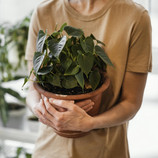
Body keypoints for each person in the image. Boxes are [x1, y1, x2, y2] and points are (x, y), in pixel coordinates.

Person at [25, 0, 152, 157]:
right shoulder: (44, 12)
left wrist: (90, 123)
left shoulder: (135, 17)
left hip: (105, 150)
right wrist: (41, 110)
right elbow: (33, 89)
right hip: (49, 149)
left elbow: (131, 102)